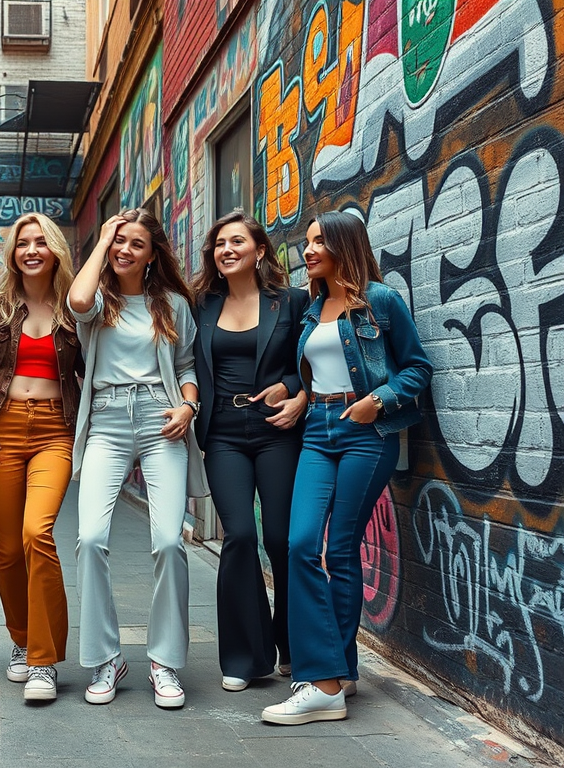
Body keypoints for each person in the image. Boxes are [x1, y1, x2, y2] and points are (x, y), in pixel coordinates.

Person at [262, 211, 432, 725]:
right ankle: (340, 672)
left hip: (365, 432)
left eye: (318, 241)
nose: (307, 250)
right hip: (318, 428)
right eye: (307, 242)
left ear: (343, 243)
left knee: (339, 547)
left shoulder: (380, 301)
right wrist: (296, 395)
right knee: (298, 544)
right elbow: (316, 373)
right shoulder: (313, 310)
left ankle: (324, 683)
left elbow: (417, 367)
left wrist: (377, 401)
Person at [69, 208, 209, 709]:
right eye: (119, 242)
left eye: (136, 244)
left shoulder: (172, 304)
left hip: (159, 419)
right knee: (89, 538)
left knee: (170, 540)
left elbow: (188, 364)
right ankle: (107, 658)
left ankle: (164, 660)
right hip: (106, 421)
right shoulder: (98, 300)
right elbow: (77, 298)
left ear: (153, 256)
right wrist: (103, 239)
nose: (125, 250)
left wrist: (188, 406)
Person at [0, 213, 82, 702]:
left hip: (56, 428)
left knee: (39, 532)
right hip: (0, 427)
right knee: (10, 548)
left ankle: (44, 660)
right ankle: (20, 638)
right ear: (13, 253)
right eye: (22, 244)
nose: (31, 250)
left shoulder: (77, 306)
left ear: (55, 249)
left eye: (40, 242)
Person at [190, 211, 308, 693]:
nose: (227, 249)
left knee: (281, 540)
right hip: (223, 433)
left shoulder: (292, 302)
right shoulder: (200, 306)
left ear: (259, 251)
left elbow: (314, 359)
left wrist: (295, 391)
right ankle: (244, 657)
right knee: (238, 535)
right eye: (219, 244)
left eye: (237, 241)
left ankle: (291, 646)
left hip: (277, 429)